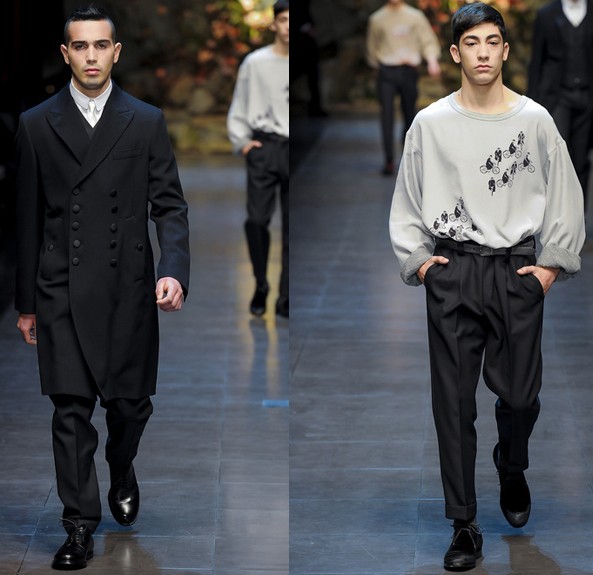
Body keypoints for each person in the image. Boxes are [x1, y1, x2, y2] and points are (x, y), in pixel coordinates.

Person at [389, 3, 584, 571]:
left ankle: (511, 462)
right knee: (452, 404)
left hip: (516, 270)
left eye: (491, 42)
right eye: (471, 43)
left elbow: (566, 193)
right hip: (453, 268)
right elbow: (408, 197)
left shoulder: (534, 120)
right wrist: (422, 264)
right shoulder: (430, 123)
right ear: (455, 53)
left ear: (504, 50)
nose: (481, 53)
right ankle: (463, 524)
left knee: (520, 397)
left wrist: (550, 267)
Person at [14, 5, 190, 570]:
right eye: (80, 46)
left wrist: (172, 269)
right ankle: (78, 526)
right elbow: (27, 220)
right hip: (61, 287)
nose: (90, 56)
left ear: (116, 52)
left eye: (100, 45)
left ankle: (121, 463)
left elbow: (170, 205)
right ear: (65, 54)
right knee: (69, 409)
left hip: (127, 287)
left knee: (130, 406)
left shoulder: (145, 120)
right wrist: (26, 304)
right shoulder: (36, 124)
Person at [227, 0, 289, 318]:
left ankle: (286, 296)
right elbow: (240, 102)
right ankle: (261, 283)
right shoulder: (255, 62)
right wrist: (242, 142)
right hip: (264, 145)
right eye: (283, 19)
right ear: (274, 24)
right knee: (256, 220)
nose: (288, 26)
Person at [528, 0, 593, 206]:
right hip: (557, 97)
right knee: (556, 157)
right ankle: (556, 212)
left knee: (581, 159)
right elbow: (537, 60)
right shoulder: (546, 14)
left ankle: (579, 214)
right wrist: (532, 104)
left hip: (588, 97)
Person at [366, 0, 441, 176]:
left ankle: (408, 159)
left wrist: (432, 60)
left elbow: (427, 40)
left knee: (410, 115)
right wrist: (375, 66)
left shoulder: (415, 16)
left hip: (409, 70)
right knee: (387, 115)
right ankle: (389, 161)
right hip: (386, 70)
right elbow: (372, 47)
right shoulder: (377, 19)